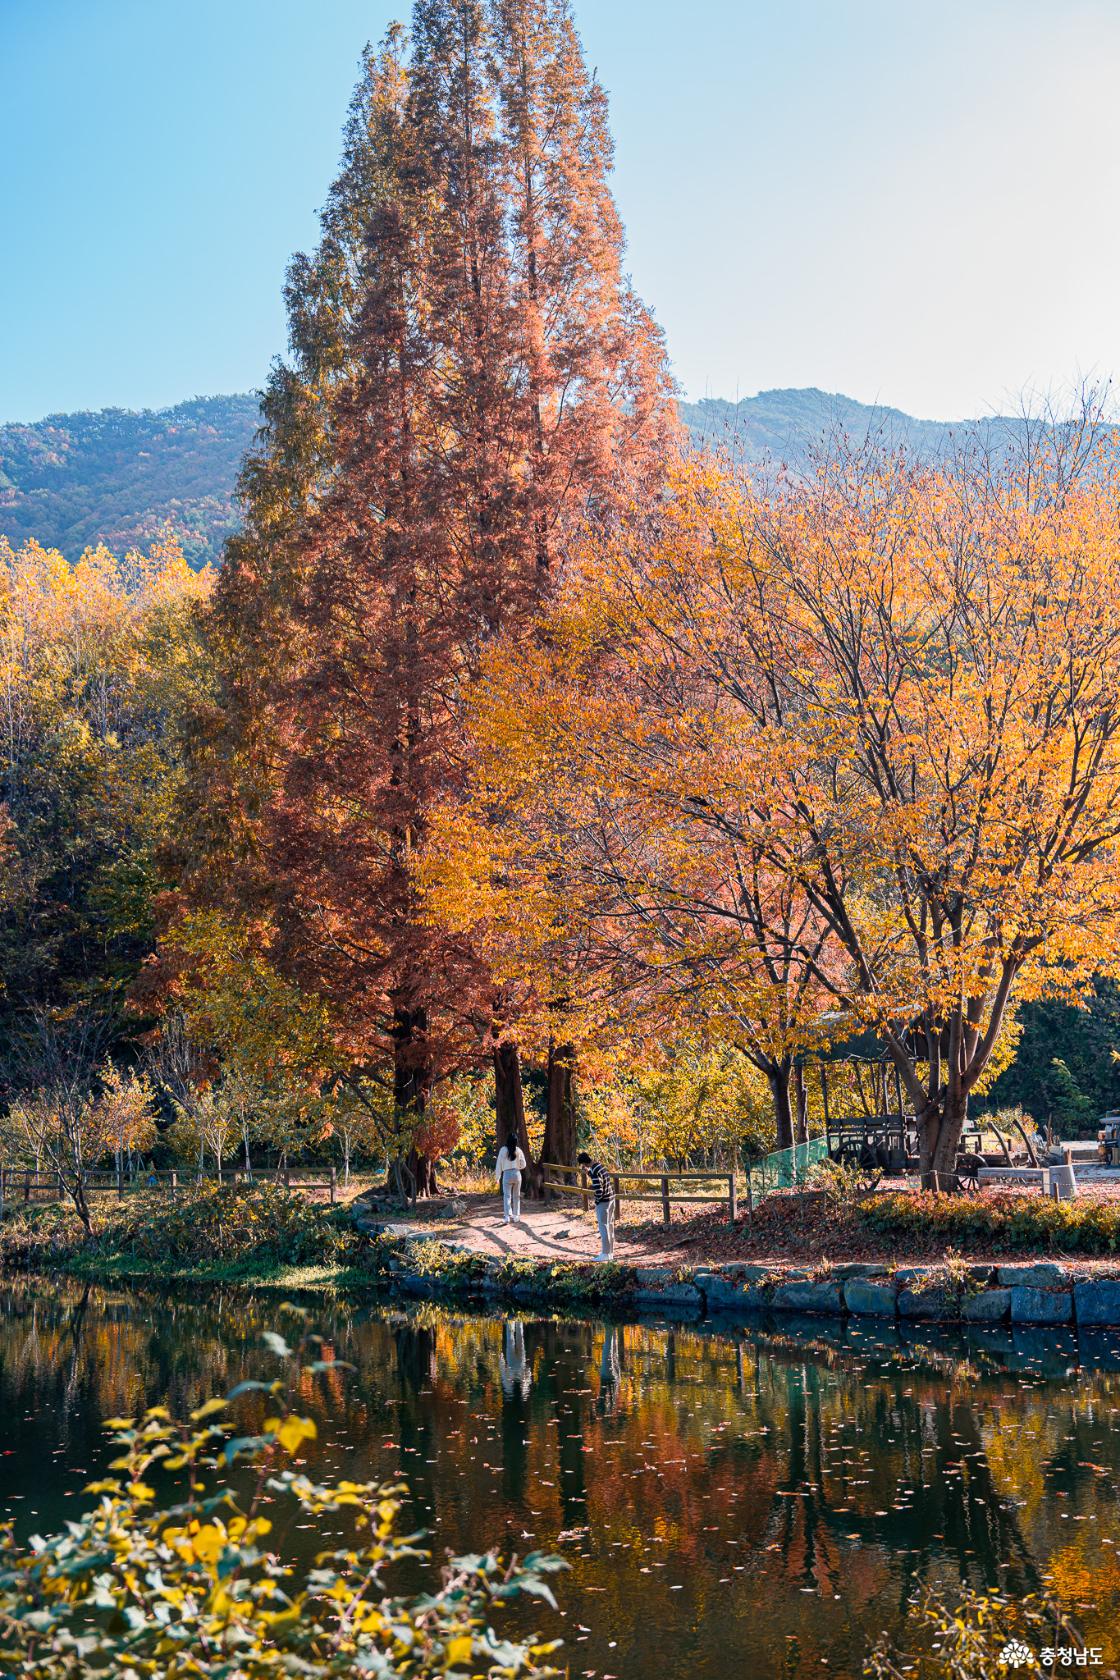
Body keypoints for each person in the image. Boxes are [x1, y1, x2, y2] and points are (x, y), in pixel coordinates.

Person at [577, 1150, 615, 1260]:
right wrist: (588, 1172)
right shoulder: (599, 1166)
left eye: (583, 1164)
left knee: (603, 1227)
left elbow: (598, 1189)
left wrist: (597, 1201)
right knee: (610, 1225)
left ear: (584, 1163)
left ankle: (605, 1253)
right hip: (611, 1198)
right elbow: (599, 1178)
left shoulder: (594, 1171)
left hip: (603, 1201)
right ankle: (610, 1252)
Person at [495, 1133, 527, 1224]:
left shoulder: (503, 1150)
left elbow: (499, 1165)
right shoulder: (518, 1150)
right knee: (516, 1196)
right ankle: (516, 1216)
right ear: (516, 1141)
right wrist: (517, 1168)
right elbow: (524, 1164)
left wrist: (497, 1177)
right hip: (517, 1174)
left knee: (507, 1196)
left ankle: (507, 1216)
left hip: (507, 1174)